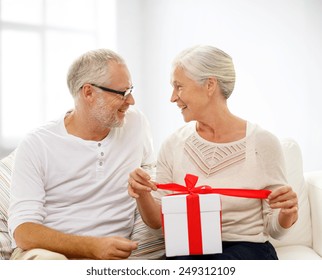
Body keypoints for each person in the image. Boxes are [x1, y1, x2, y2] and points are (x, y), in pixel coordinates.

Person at [128, 45, 298, 260]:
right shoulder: (173, 144)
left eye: (179, 86)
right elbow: (157, 223)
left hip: (247, 250)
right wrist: (142, 193)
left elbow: (275, 230)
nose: (173, 97)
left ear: (209, 85)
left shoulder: (262, 143)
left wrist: (287, 214)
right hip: (190, 250)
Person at [8, 49, 156, 260]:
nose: (131, 100)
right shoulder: (38, 143)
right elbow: (23, 231)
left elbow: (152, 179)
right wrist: (92, 247)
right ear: (88, 93)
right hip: (47, 254)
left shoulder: (136, 124)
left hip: (111, 258)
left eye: (130, 89)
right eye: (122, 93)